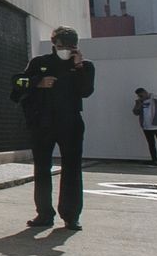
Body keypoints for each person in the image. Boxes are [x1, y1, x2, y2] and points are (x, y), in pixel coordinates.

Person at [10, 26, 95, 230]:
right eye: (61, 46)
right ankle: (44, 214)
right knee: (41, 169)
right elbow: (17, 81)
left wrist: (79, 66)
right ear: (53, 44)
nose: (65, 49)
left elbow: (86, 91)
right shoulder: (40, 63)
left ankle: (71, 215)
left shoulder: (85, 66)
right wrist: (38, 82)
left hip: (71, 124)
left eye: (70, 46)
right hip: (42, 123)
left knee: (72, 170)